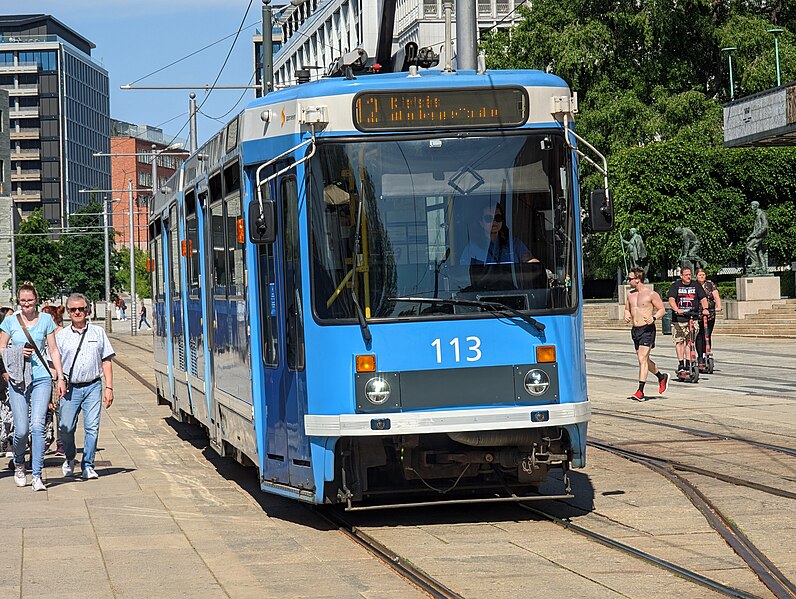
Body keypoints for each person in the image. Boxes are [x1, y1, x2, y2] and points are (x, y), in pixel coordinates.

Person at [0, 283, 66, 491]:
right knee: (21, 430)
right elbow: (1, 347)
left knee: (37, 426)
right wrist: (17, 353)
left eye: (30, 300)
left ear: (36, 300)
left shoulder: (46, 320)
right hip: (18, 380)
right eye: (23, 301)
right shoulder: (10, 321)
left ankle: (37, 474)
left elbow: (53, 350)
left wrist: (61, 377)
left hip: (41, 378)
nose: (26, 304)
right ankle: (19, 463)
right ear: (18, 301)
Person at [56, 293, 115, 481]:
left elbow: (106, 361)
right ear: (68, 312)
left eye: (81, 308)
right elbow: (53, 363)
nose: (77, 312)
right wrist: (57, 382)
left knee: (92, 427)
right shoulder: (61, 336)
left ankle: (88, 465)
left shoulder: (98, 333)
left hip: (92, 386)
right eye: (73, 309)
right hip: (69, 388)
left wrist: (109, 388)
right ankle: (70, 457)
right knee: (66, 428)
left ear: (87, 310)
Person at [624, 267, 669, 400]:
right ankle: (661, 377)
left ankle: (640, 391)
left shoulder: (651, 294)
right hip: (635, 330)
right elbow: (628, 308)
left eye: (630, 278)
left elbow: (662, 309)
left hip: (647, 329)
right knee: (644, 360)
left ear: (638, 279)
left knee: (642, 359)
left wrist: (654, 318)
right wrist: (626, 315)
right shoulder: (630, 294)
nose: (629, 280)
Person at [667, 267, 710, 374]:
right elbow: (671, 299)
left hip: (692, 317)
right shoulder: (675, 285)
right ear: (681, 276)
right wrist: (676, 309)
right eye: (686, 275)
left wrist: (705, 309)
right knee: (679, 341)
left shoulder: (696, 285)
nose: (688, 277)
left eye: (690, 274)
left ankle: (688, 362)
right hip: (679, 319)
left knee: (690, 341)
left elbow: (703, 298)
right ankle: (681, 363)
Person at [41, 305, 66, 456]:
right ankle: (45, 440)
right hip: (44, 377)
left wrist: (58, 374)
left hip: (57, 378)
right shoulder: (42, 333)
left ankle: (61, 443)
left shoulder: (61, 333)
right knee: (45, 411)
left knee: (59, 411)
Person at [695, 268, 721, 365]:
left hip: (710, 312)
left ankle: (707, 353)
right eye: (700, 275)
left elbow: (716, 296)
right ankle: (700, 357)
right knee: (700, 334)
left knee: (707, 334)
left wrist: (718, 306)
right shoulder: (694, 285)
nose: (702, 276)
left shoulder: (710, 284)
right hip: (698, 313)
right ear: (696, 276)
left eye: (703, 275)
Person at [745, 200, 769, 275]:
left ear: (756, 206)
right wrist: (750, 236)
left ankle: (756, 264)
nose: (751, 207)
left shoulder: (762, 214)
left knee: (749, 247)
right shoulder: (756, 214)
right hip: (757, 234)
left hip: (760, 235)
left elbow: (765, 226)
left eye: (752, 205)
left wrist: (756, 235)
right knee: (759, 251)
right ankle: (763, 267)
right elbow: (755, 228)